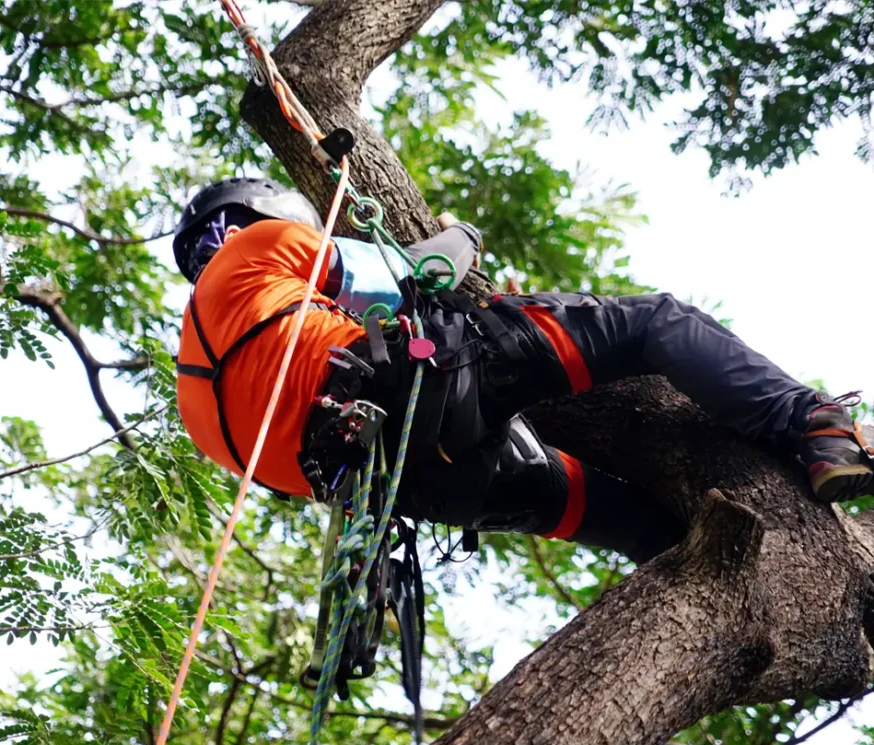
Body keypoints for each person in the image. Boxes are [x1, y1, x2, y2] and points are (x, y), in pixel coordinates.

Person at [173, 177, 874, 564]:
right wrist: (460, 235)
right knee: (654, 322)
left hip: (427, 486)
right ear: (259, 213)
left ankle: (732, 562)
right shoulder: (256, 249)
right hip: (437, 386)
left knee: (637, 526)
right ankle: (811, 424)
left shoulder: (194, 408)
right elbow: (418, 273)